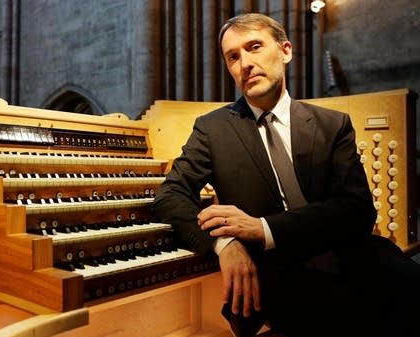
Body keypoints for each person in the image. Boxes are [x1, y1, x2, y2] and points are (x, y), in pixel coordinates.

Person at [152, 12, 420, 337]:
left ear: (286, 51)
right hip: (279, 270)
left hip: (350, 253)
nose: (245, 63)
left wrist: (262, 227)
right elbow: (170, 196)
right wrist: (224, 243)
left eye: (254, 47)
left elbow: (356, 209)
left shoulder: (331, 124)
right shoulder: (213, 129)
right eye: (233, 56)